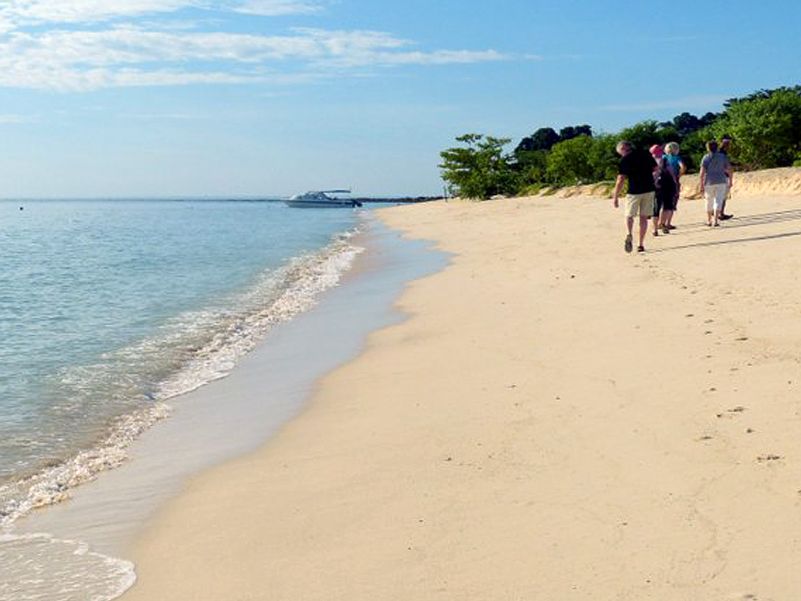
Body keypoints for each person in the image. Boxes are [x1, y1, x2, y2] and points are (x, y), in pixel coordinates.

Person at [613, 140, 657, 253]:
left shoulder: (625, 160)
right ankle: (640, 244)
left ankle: (629, 233)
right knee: (643, 218)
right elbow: (656, 169)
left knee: (629, 215)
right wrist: (654, 180)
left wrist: (616, 196)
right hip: (649, 189)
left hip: (633, 191)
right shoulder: (645, 154)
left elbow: (620, 179)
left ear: (622, 149)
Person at [699, 140, 732, 227]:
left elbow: (702, 172)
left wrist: (701, 184)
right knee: (718, 200)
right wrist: (731, 180)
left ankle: (709, 220)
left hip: (709, 181)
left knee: (708, 201)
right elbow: (729, 169)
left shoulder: (706, 157)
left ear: (708, 148)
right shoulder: (722, 156)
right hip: (721, 180)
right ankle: (716, 220)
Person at [649, 144, 678, 236]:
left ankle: (655, 229)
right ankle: (662, 224)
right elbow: (672, 173)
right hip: (668, 186)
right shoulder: (665, 160)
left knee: (656, 209)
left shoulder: (649, 162)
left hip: (657, 187)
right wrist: (675, 184)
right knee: (667, 207)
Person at [662, 141, 685, 230]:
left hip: (663, 181)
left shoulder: (663, 157)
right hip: (673, 181)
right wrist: (679, 174)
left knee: (663, 204)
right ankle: (668, 223)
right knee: (672, 203)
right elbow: (682, 166)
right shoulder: (677, 158)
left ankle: (661, 222)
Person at [718, 135, 734, 219]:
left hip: (716, 177)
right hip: (723, 176)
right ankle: (721, 213)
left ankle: (717, 212)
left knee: (718, 196)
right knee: (723, 196)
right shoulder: (723, 154)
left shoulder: (716, 153)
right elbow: (724, 166)